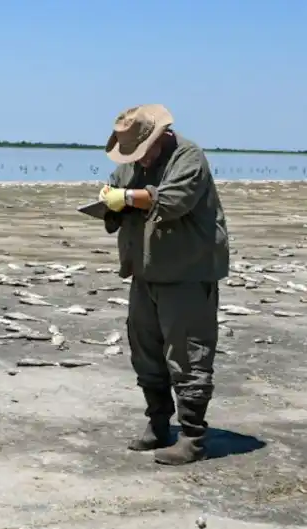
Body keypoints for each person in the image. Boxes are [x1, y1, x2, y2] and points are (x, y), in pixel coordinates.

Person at [98, 104, 230, 465]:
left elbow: (171, 201)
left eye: (140, 152)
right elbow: (119, 191)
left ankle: (193, 437)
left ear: (159, 138)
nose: (136, 161)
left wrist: (126, 198)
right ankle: (158, 424)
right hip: (145, 272)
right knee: (146, 352)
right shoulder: (131, 162)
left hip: (187, 273)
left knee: (188, 355)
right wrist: (109, 200)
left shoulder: (189, 157)